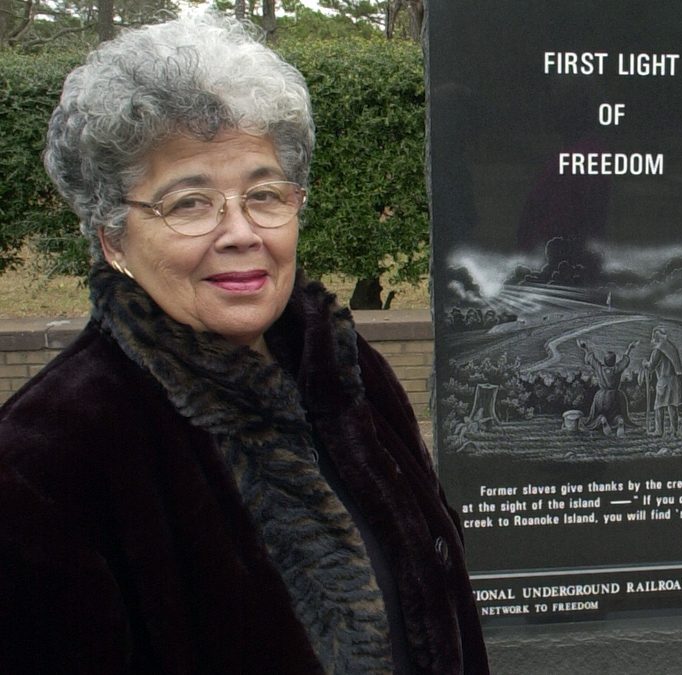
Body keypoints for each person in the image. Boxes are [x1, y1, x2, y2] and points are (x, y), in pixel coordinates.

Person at [0, 14, 488, 674]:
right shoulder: (48, 456)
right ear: (113, 240)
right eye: (190, 203)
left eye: (263, 194)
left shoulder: (350, 375)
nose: (240, 232)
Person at [578, 338, 639, 431]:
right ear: (614, 361)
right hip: (615, 396)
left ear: (605, 360)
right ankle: (620, 420)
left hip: (601, 396)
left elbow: (591, 358)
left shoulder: (599, 368)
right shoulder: (617, 369)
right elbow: (625, 360)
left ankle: (602, 419)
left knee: (597, 414)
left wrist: (584, 348)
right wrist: (630, 348)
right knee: (618, 413)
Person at [644, 324, 682, 436]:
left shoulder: (659, 349)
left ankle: (659, 430)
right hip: (674, 380)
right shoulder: (671, 347)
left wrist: (645, 363)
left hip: (664, 380)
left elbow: (651, 366)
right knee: (672, 405)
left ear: (656, 337)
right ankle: (674, 430)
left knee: (659, 406)